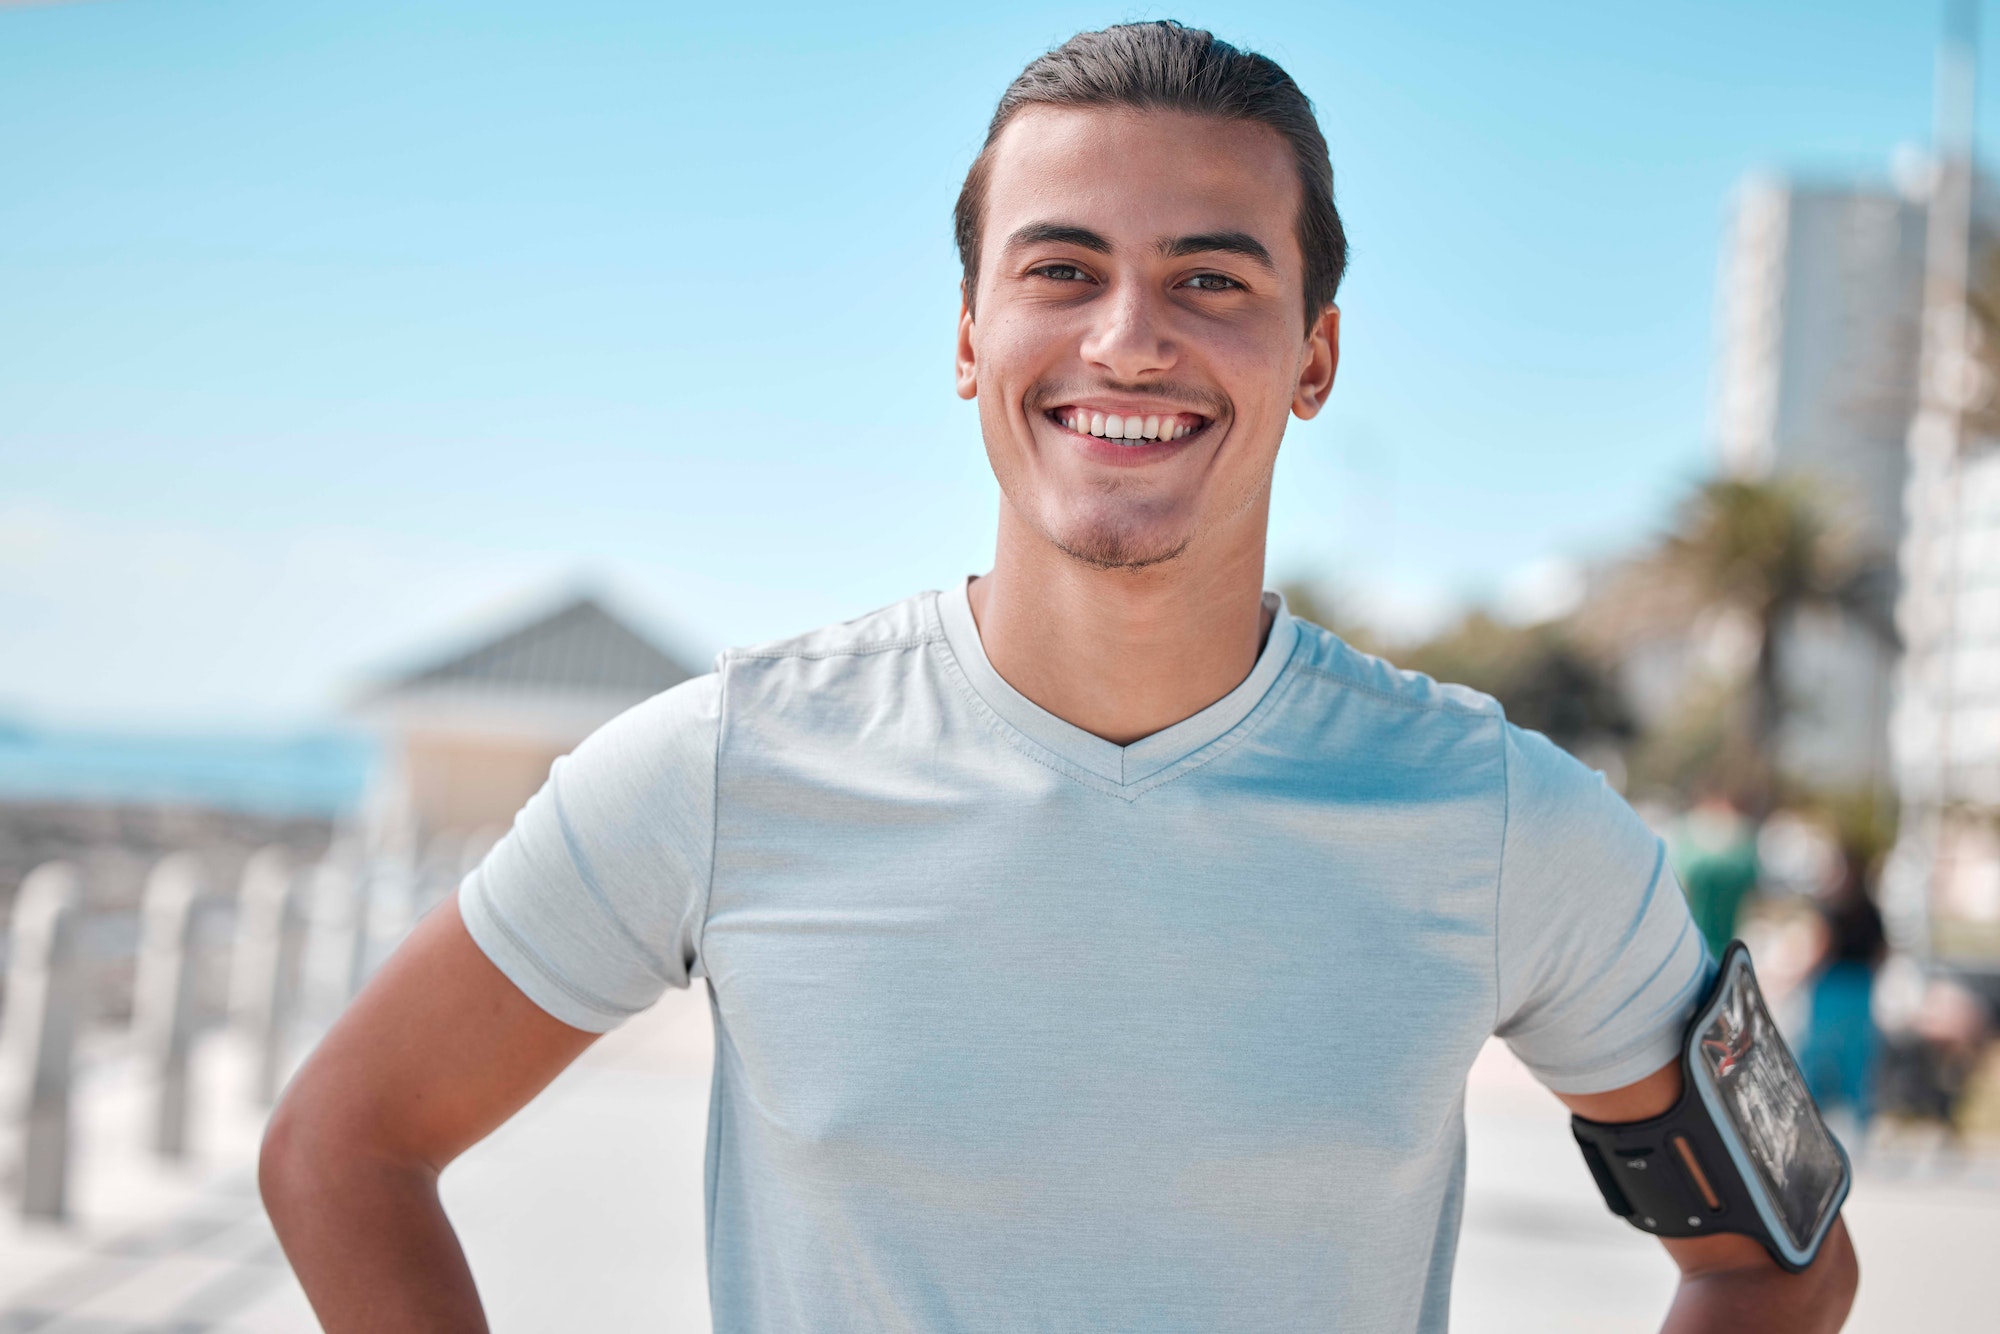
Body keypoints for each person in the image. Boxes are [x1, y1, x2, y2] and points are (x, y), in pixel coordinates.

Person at [259, 22, 1857, 1333]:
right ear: (969, 333)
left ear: (1315, 355)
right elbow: (345, 1146)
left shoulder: (1501, 814)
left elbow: (1779, 1260)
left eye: (1213, 279)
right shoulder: (727, 762)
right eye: (1062, 269)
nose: (1130, 339)